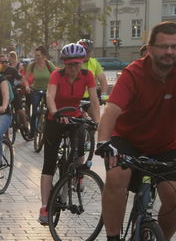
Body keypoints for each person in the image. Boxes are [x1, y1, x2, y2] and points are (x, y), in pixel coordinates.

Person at [95, 21, 176, 241]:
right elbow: (112, 110)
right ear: (150, 48)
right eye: (164, 46)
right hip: (128, 140)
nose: (169, 52)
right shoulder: (134, 73)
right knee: (116, 177)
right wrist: (104, 142)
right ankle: (113, 240)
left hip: (166, 144)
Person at [37, 44, 96, 224]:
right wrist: (55, 113)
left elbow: (94, 99)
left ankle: (78, 175)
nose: (73, 68)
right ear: (64, 64)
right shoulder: (57, 75)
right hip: (56, 119)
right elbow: (50, 96)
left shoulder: (87, 75)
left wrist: (97, 122)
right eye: (69, 65)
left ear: (82, 63)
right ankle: (45, 207)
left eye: (76, 64)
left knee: (79, 147)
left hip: (75, 118)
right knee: (49, 163)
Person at [23, 45, 55, 136]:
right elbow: (25, 78)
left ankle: (49, 131)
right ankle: (32, 132)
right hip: (36, 90)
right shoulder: (32, 65)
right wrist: (27, 86)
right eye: (35, 55)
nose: (36, 57)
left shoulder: (49, 65)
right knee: (35, 111)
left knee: (50, 111)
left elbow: (56, 74)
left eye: (38, 55)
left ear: (44, 56)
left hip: (48, 90)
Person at [79, 38, 110, 104]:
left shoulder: (94, 62)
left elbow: (103, 81)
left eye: (90, 51)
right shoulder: (73, 63)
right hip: (75, 98)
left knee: (95, 113)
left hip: (90, 97)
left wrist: (104, 97)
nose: (88, 54)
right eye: (86, 51)